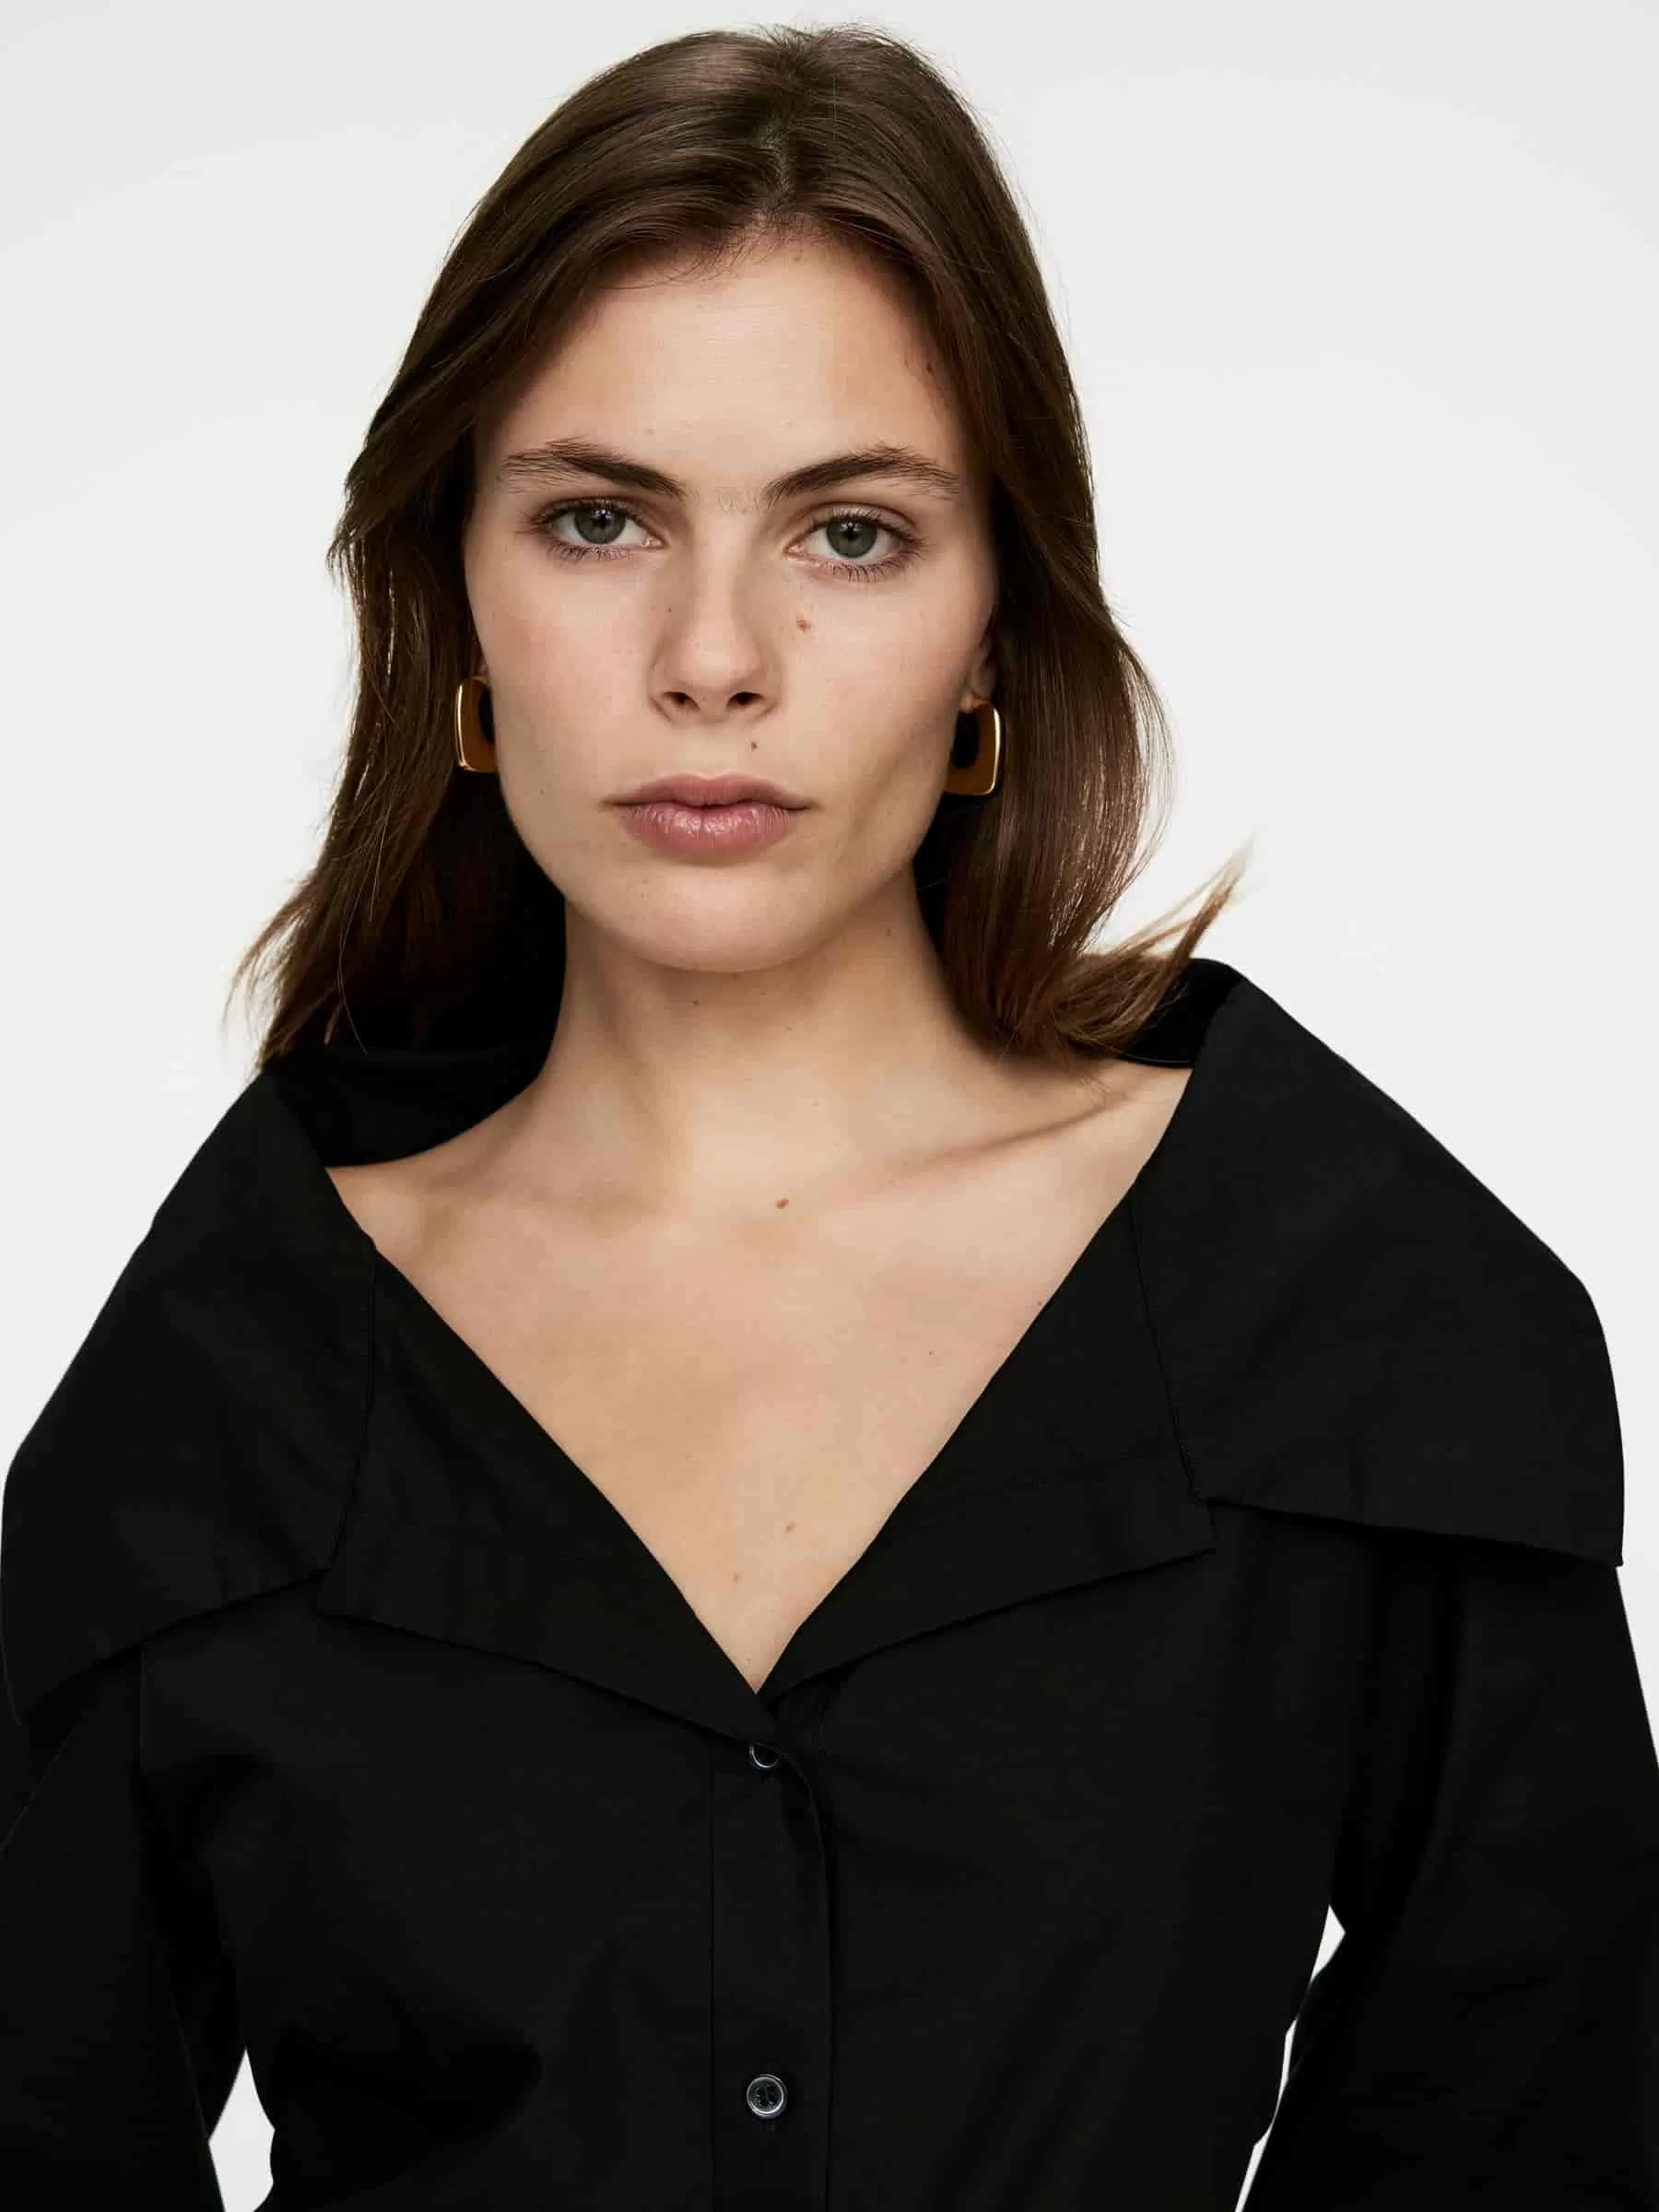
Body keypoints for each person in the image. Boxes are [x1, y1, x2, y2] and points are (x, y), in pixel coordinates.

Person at [3, 23, 1655, 2210]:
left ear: (996, 626)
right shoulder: (235, 1385)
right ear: (454, 597)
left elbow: (1535, 2130)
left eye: (852, 534)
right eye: (598, 520)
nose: (715, 656)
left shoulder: (1345, 1316)